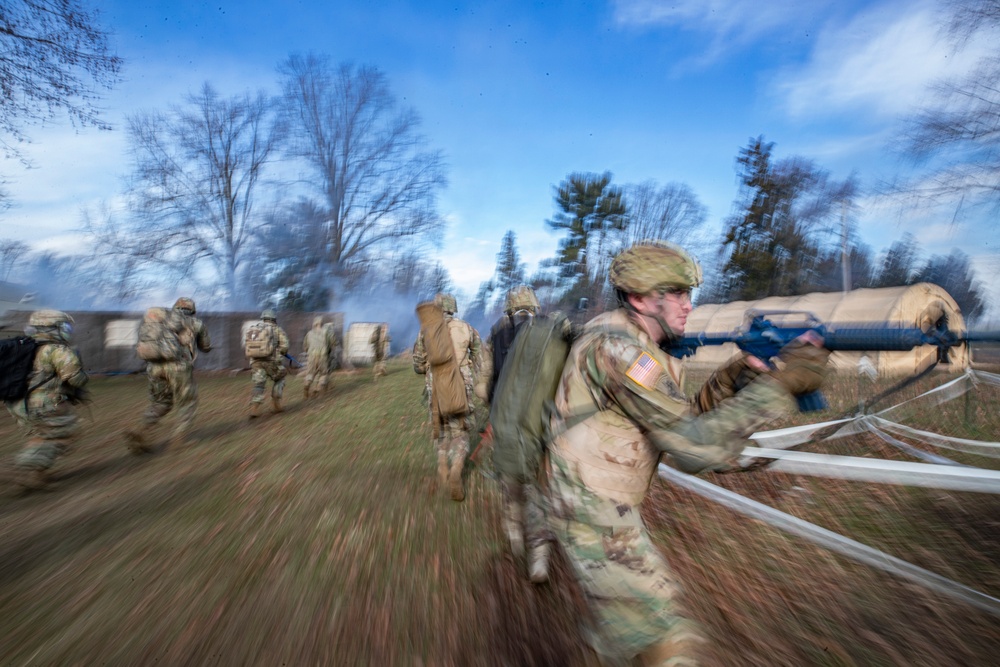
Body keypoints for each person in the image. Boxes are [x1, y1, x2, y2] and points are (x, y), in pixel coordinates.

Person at [546, 241, 830, 666]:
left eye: (688, 293)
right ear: (640, 297)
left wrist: (734, 376)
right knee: (665, 637)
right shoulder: (621, 352)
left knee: (633, 631)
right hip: (588, 503)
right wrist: (781, 386)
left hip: (598, 495)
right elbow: (693, 449)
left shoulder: (639, 344)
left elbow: (681, 421)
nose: (688, 305)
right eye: (676, 293)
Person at [475, 285, 558, 583]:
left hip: (505, 420)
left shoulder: (496, 333)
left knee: (509, 481)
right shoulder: (550, 331)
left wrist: (492, 404)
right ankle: (540, 557)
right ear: (535, 306)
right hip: (541, 422)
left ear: (509, 308)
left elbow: (483, 384)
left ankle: (514, 533)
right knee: (538, 487)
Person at [4, 309, 88, 489]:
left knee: (44, 436)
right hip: (45, 403)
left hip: (19, 404)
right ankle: (21, 467)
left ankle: (36, 474)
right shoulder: (56, 350)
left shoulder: (26, 347)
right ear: (54, 328)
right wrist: (81, 378)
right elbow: (74, 378)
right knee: (66, 433)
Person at [412, 293, 481, 501]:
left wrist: (428, 369)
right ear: (453, 307)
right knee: (460, 429)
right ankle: (457, 469)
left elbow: (417, 364)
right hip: (461, 386)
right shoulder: (467, 328)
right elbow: (480, 356)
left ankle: (442, 463)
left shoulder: (426, 330)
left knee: (440, 426)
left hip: (436, 386)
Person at [128, 297, 212, 453]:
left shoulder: (160, 322)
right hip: (178, 368)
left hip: (154, 367)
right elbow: (206, 346)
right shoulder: (195, 323)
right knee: (187, 403)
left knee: (161, 403)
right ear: (192, 310)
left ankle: (141, 429)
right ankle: (178, 440)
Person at [247, 308, 290, 418]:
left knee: (259, 383)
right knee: (280, 378)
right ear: (273, 319)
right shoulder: (277, 329)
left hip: (255, 361)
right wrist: (281, 352)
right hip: (271, 362)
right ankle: (276, 402)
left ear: (263, 318)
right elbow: (285, 346)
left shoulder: (255, 329)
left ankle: (254, 408)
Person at [301, 316, 334, 399]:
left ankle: (306, 384)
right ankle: (319, 387)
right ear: (322, 323)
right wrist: (328, 351)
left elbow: (305, 347)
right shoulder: (326, 332)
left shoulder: (309, 333)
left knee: (310, 374)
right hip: (323, 356)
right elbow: (332, 343)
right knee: (324, 374)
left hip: (312, 356)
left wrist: (309, 352)